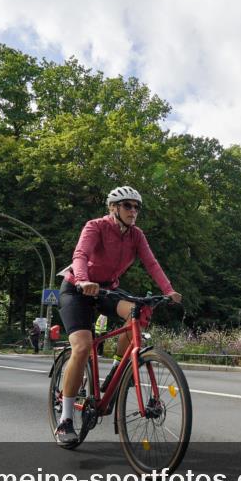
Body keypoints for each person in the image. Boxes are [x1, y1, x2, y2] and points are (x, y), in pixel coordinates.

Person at [55, 186, 182, 446]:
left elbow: (152, 263)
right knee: (82, 346)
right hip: (77, 289)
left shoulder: (136, 235)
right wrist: (82, 280)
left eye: (137, 207)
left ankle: (118, 367)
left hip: (106, 290)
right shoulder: (95, 227)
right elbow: (80, 255)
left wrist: (168, 290)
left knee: (140, 310)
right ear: (113, 208)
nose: (133, 211)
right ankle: (65, 420)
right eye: (127, 206)